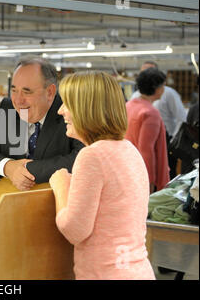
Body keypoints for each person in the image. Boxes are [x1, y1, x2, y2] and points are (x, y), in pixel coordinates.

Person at [49, 71, 155, 280]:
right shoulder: (129, 150)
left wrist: (61, 186)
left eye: (67, 103)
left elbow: (74, 230)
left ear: (86, 109)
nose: (61, 111)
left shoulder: (92, 155)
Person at [0, 56, 84, 191]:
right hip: (10, 202)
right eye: (14, 90)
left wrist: (24, 170)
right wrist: (8, 167)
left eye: (26, 92)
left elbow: (81, 158)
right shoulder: (8, 108)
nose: (18, 100)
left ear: (50, 92)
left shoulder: (71, 111)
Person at [131, 61, 187, 178]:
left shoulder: (169, 94)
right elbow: (146, 149)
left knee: (168, 172)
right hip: (139, 148)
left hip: (167, 142)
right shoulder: (137, 99)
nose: (146, 74)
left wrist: (174, 141)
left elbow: (181, 118)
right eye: (144, 71)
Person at [125, 67, 170, 193]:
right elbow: (146, 150)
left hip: (127, 167)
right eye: (163, 86)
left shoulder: (128, 106)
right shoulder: (150, 113)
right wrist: (149, 181)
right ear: (157, 88)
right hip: (141, 173)